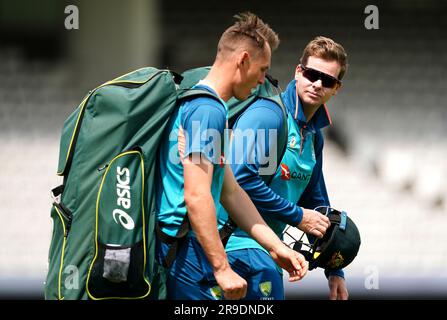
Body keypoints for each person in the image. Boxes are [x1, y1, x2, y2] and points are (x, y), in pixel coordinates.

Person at [156, 12, 309, 300]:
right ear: (242, 60)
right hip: (184, 250)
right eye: (262, 69)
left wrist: (276, 248)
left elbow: (231, 192)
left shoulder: (212, 108)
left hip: (187, 248)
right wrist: (222, 267)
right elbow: (197, 195)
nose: (263, 80)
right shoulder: (208, 110)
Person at [218, 36, 349, 300]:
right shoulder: (269, 115)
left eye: (328, 81)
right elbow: (241, 178)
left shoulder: (314, 136)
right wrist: (297, 215)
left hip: (268, 252)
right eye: (312, 74)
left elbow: (317, 202)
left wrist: (335, 269)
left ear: (337, 89)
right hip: (234, 246)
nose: (317, 84)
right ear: (298, 72)